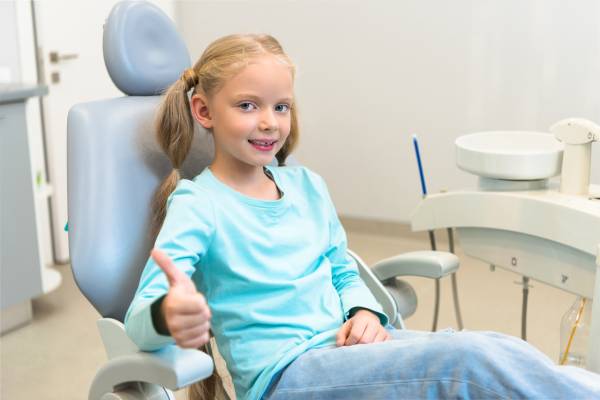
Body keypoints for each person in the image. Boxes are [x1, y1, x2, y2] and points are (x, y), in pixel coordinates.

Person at [124, 34, 600, 400]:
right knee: (467, 362)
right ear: (204, 110)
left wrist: (364, 310)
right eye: (248, 105)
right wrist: (168, 315)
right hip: (287, 377)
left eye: (280, 106)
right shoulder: (199, 203)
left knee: (491, 345)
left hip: (349, 349)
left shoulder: (307, 186)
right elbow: (138, 321)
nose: (269, 121)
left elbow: (340, 269)